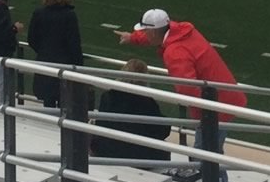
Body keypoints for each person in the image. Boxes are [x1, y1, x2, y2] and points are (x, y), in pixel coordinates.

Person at [119, 8, 247, 115]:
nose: (144, 34)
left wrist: (203, 115)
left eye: (144, 31)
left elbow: (187, 89)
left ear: (152, 32)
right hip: (225, 95)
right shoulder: (180, 31)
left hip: (216, 107)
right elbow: (156, 37)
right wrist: (132, 38)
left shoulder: (174, 53)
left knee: (205, 144)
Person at [91, 59, 173, 161]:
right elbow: (161, 130)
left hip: (107, 149)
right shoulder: (147, 101)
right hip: (139, 154)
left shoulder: (107, 96)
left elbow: (101, 123)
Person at [27, 0, 85, 106]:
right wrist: (79, 65)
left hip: (45, 61)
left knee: (48, 100)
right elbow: (74, 43)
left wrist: (44, 51)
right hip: (65, 64)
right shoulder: (69, 15)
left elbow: (31, 39)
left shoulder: (39, 13)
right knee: (66, 101)